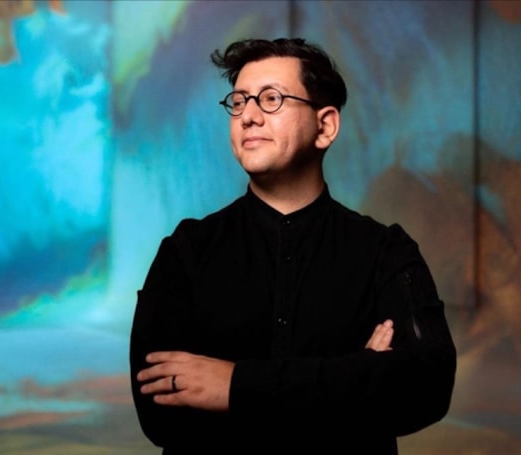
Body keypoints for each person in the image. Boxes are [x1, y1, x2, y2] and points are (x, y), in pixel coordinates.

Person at [129, 37, 457, 454]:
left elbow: (427, 386)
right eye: (238, 102)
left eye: (271, 99)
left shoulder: (385, 251)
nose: (248, 116)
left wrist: (235, 386)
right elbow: (161, 414)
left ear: (326, 127)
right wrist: (358, 374)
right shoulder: (186, 251)